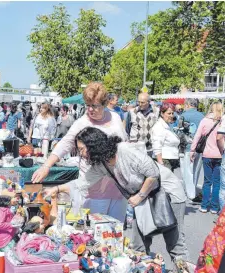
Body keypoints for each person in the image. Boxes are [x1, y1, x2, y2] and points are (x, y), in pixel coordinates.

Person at [44, 127, 189, 262]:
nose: (80, 153)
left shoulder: (124, 150)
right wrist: (56, 189)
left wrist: (139, 196)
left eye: (82, 149)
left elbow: (153, 173)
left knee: (175, 245)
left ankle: (184, 269)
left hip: (167, 194)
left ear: (93, 145)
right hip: (143, 199)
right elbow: (81, 183)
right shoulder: (101, 164)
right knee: (139, 246)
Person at [32, 82, 128, 222]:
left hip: (119, 187)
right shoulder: (82, 122)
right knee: (96, 231)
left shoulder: (115, 118)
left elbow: (124, 144)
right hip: (94, 188)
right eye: (87, 105)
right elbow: (65, 144)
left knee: (116, 231)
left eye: (95, 106)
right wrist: (47, 165)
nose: (90, 110)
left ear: (104, 103)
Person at [191, 102, 223, 214]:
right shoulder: (222, 121)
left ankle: (204, 205)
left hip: (207, 154)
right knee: (217, 182)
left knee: (207, 181)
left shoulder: (205, 120)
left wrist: (192, 150)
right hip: (219, 154)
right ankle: (214, 207)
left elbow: (197, 136)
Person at [180, 98, 205, 201]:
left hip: (187, 147)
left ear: (188, 105)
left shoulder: (184, 116)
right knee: (196, 171)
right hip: (200, 147)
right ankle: (193, 190)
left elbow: (180, 131)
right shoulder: (202, 116)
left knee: (187, 171)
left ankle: (190, 194)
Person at [151, 103, 181, 173]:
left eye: (172, 113)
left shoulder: (166, 126)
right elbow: (157, 145)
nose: (171, 115)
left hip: (169, 160)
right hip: (164, 161)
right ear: (162, 113)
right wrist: (161, 163)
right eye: (169, 113)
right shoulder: (159, 127)